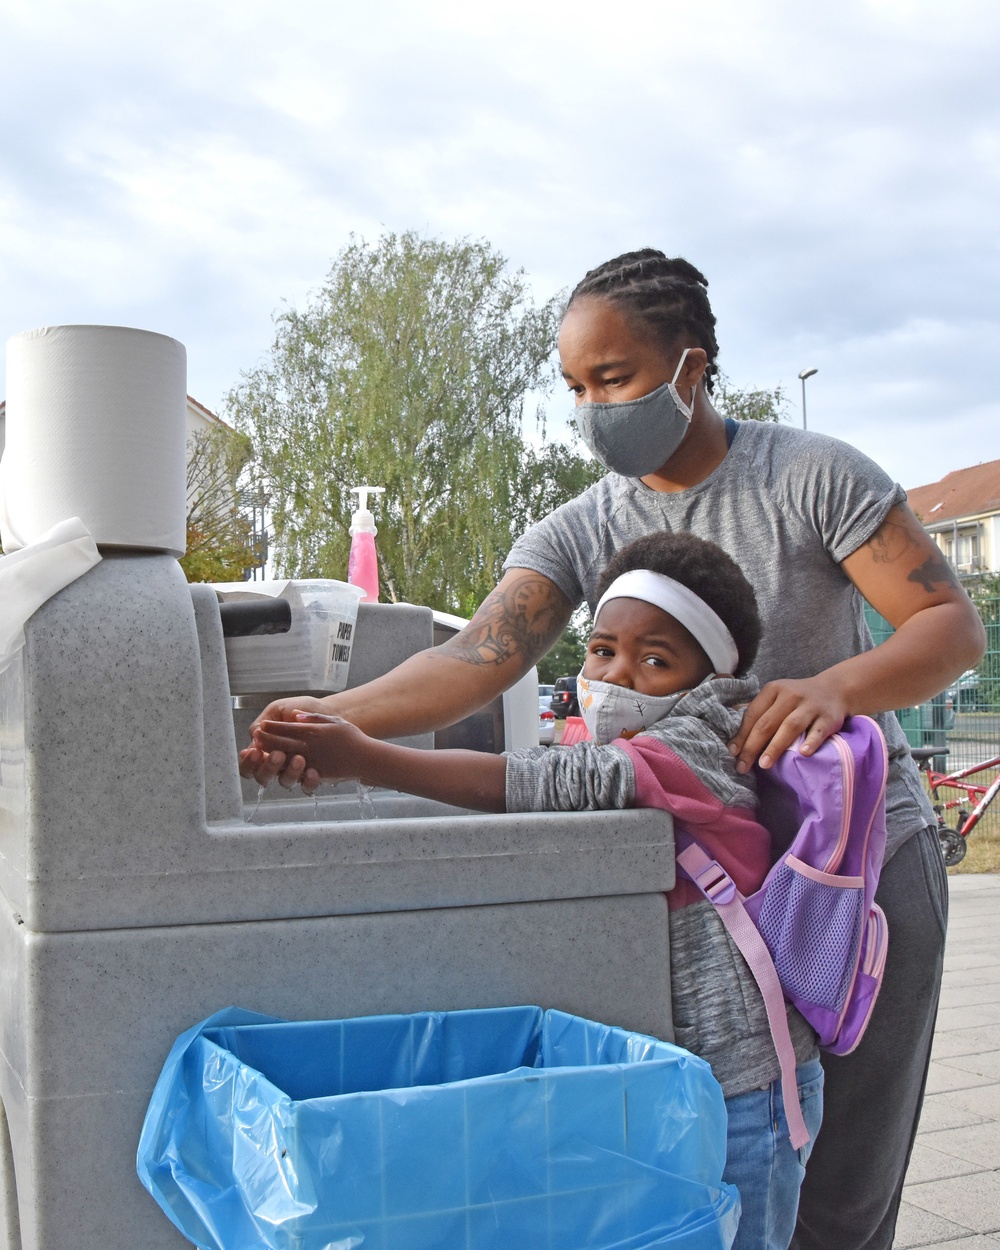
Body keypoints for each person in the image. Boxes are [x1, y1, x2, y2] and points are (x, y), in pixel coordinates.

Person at [241, 249, 986, 1250]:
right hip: (700, 874)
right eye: (574, 387)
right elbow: (479, 653)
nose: (592, 407)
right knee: (741, 1145)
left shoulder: (812, 475)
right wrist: (338, 721)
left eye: (614, 377)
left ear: (689, 365)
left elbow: (945, 626)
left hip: (849, 861)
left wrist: (831, 686)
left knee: (844, 1175)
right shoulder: (586, 522)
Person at [254, 531, 824, 1250]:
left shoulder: (701, 743)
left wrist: (364, 758)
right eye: (603, 648)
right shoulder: (616, 741)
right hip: (681, 1072)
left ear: (709, 679)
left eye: (655, 660)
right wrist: (323, 741)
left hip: (749, 1083)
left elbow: (540, 782)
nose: (617, 674)